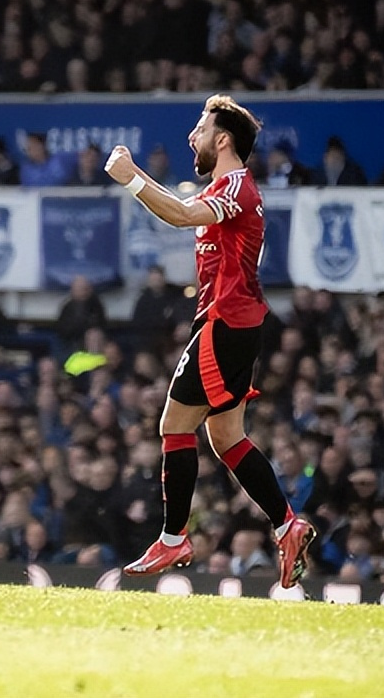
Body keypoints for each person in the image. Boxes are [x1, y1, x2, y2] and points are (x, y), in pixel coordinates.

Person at [103, 94, 315, 588]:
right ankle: (287, 525)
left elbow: (180, 215)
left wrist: (131, 177)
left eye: (199, 129)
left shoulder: (237, 186)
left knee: (174, 425)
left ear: (222, 140)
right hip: (236, 322)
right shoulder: (227, 187)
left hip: (225, 321)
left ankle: (173, 538)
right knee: (226, 437)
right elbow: (184, 211)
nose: (190, 136)